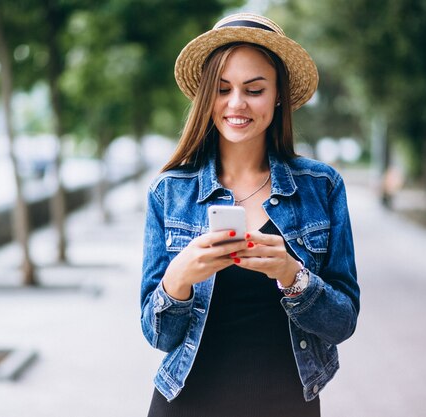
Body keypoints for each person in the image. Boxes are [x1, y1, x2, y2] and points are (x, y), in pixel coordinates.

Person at [140, 13, 359, 417]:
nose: (236, 103)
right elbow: (159, 337)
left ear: (277, 95)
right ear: (207, 97)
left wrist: (293, 276)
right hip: (187, 404)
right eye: (222, 89)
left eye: (254, 89)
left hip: (287, 405)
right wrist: (179, 278)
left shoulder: (322, 187)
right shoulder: (169, 191)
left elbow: (342, 323)